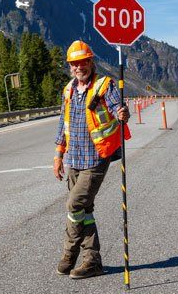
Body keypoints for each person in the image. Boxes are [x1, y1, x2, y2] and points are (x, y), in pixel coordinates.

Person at [53, 40, 130, 279]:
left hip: (97, 157)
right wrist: (58, 155)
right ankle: (92, 261)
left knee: (74, 205)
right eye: (74, 64)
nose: (79, 67)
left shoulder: (104, 86)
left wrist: (123, 113)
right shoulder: (68, 90)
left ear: (90, 62)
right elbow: (63, 124)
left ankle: (69, 253)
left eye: (82, 62)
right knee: (84, 210)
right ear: (70, 66)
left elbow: (119, 108)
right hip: (73, 158)